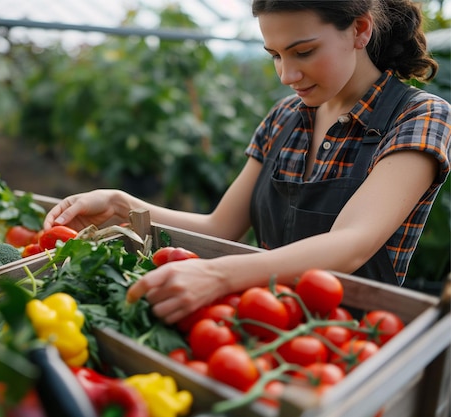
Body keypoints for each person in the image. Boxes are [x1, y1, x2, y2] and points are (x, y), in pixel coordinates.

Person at [43, 0, 451, 324]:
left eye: (303, 51)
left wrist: (219, 276)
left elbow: (350, 245)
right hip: (261, 322)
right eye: (274, 55)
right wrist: (121, 204)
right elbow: (221, 227)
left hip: (349, 344)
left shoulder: (417, 116)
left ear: (360, 29)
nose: (287, 74)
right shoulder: (286, 118)